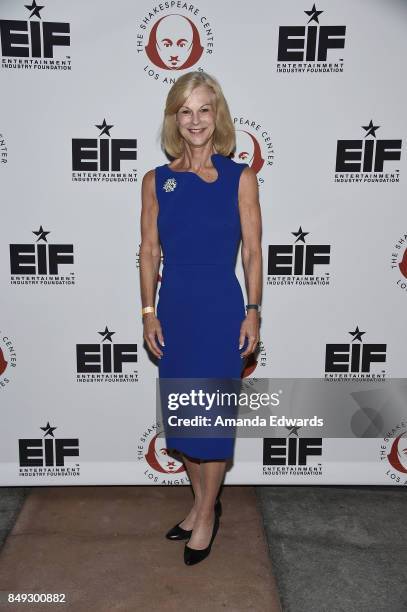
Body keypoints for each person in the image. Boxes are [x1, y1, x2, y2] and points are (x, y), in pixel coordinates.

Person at [139, 71, 262, 565]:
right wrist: (148, 311)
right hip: (176, 308)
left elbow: (252, 252)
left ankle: (206, 515)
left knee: (211, 424)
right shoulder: (156, 180)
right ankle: (200, 504)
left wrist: (253, 311)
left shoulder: (240, 177)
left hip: (221, 308)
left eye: (204, 109)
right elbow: (149, 251)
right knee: (186, 420)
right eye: (185, 111)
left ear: (218, 115)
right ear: (175, 117)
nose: (195, 120)